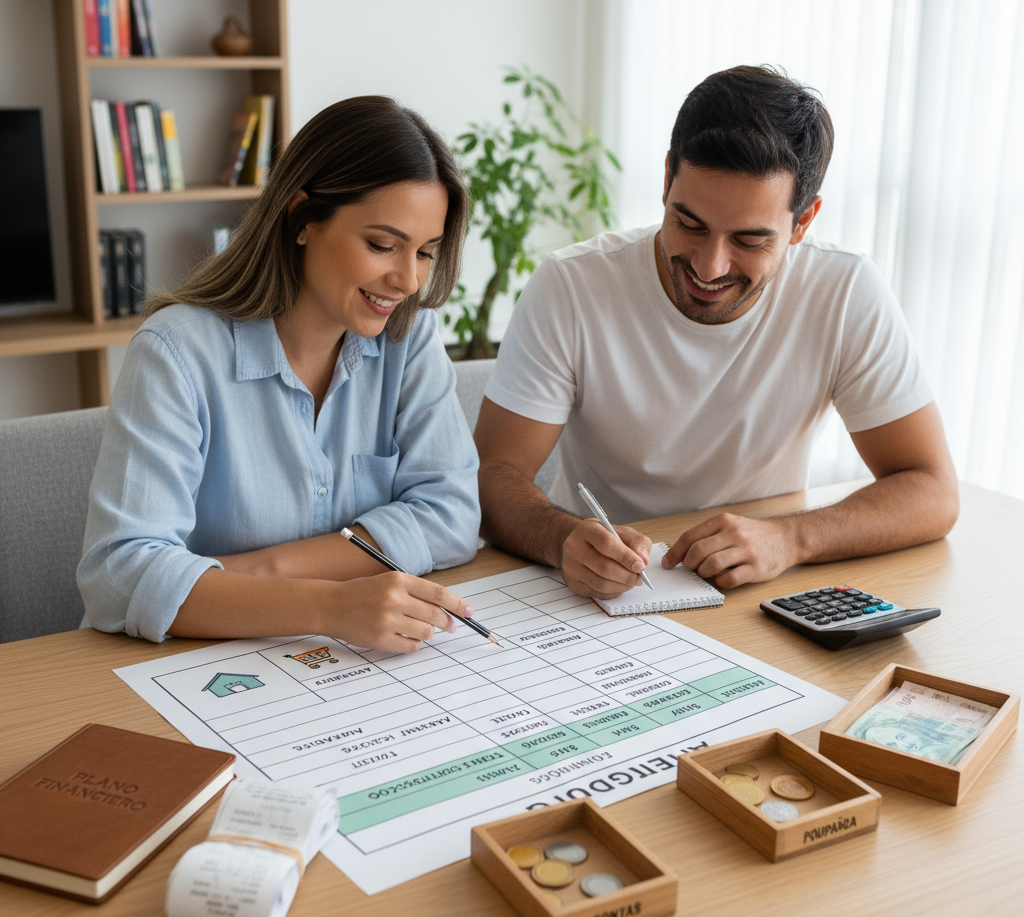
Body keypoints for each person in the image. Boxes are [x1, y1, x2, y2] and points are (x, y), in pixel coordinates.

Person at [474, 65, 959, 599]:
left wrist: (791, 539)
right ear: (665, 182)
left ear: (803, 222)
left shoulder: (844, 291)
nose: (709, 267)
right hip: (607, 596)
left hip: (759, 591)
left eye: (750, 241)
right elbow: (492, 475)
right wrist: (562, 538)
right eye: (690, 224)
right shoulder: (571, 286)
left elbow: (932, 490)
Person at [79, 96, 481, 653]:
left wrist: (256, 572)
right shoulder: (175, 351)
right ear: (301, 219)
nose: (408, 280)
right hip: (185, 664)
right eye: (382, 245)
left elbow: (452, 514)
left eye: (426, 253)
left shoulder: (408, 338)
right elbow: (118, 576)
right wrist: (328, 604)